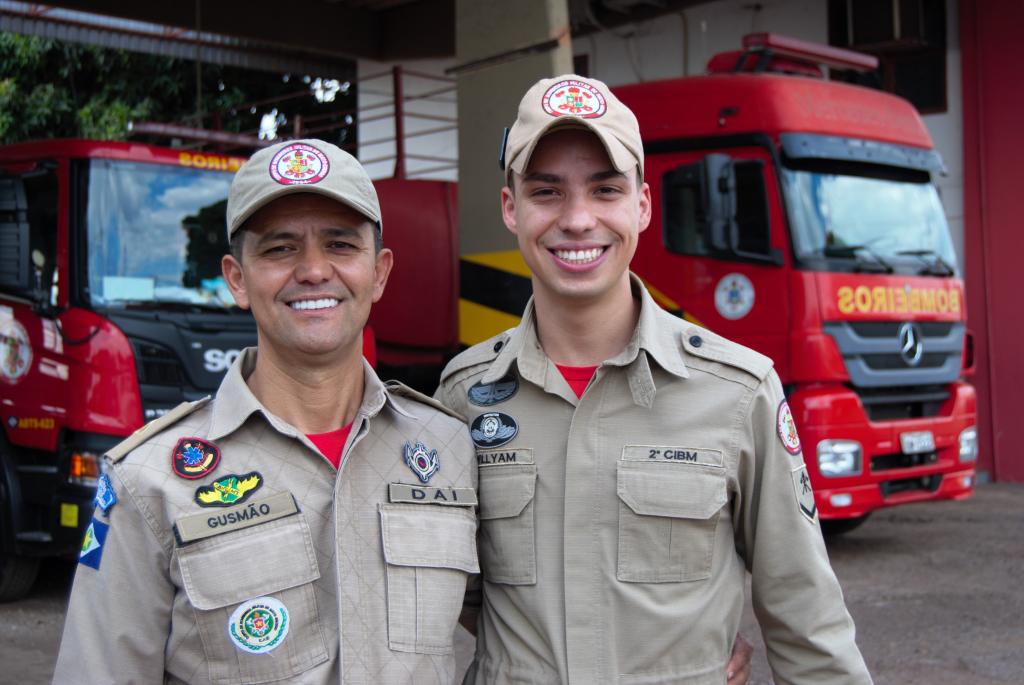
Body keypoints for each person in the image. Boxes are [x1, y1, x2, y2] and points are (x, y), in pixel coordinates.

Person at [436, 75, 873, 684]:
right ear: (511, 208)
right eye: (546, 192)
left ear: (642, 203)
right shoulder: (462, 398)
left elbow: (807, 618)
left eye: (605, 189)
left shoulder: (738, 392)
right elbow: (445, 588)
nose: (579, 219)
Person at [54, 139, 479, 684]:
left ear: (379, 272)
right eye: (280, 249)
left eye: (341, 245)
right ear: (236, 278)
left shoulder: (450, 450)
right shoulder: (148, 481)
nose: (313, 270)